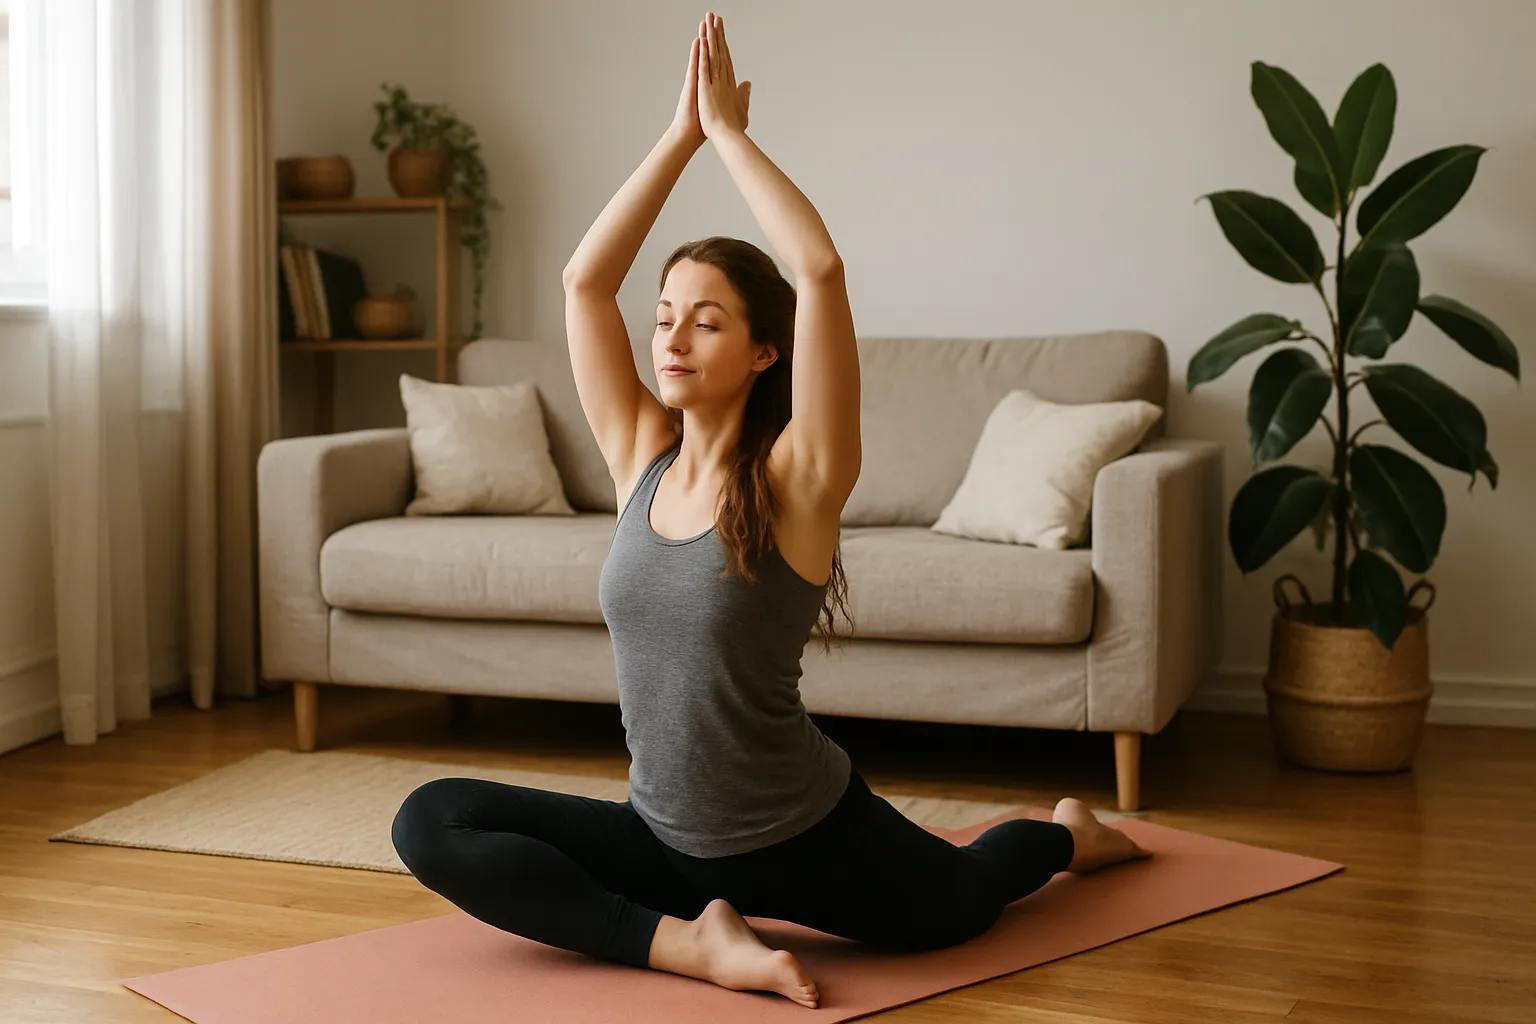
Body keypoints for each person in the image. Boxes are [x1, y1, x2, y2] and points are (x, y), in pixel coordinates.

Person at [391, 12, 1148, 1010]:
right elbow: (585, 282)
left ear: (762, 353)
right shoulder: (639, 459)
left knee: (967, 897)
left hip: (805, 840)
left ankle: (1066, 832)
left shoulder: (801, 477)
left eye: (707, 320)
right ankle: (689, 945)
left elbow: (820, 271)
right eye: (665, 316)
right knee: (428, 820)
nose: (673, 336)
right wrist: (677, 139)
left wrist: (733, 138)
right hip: (663, 841)